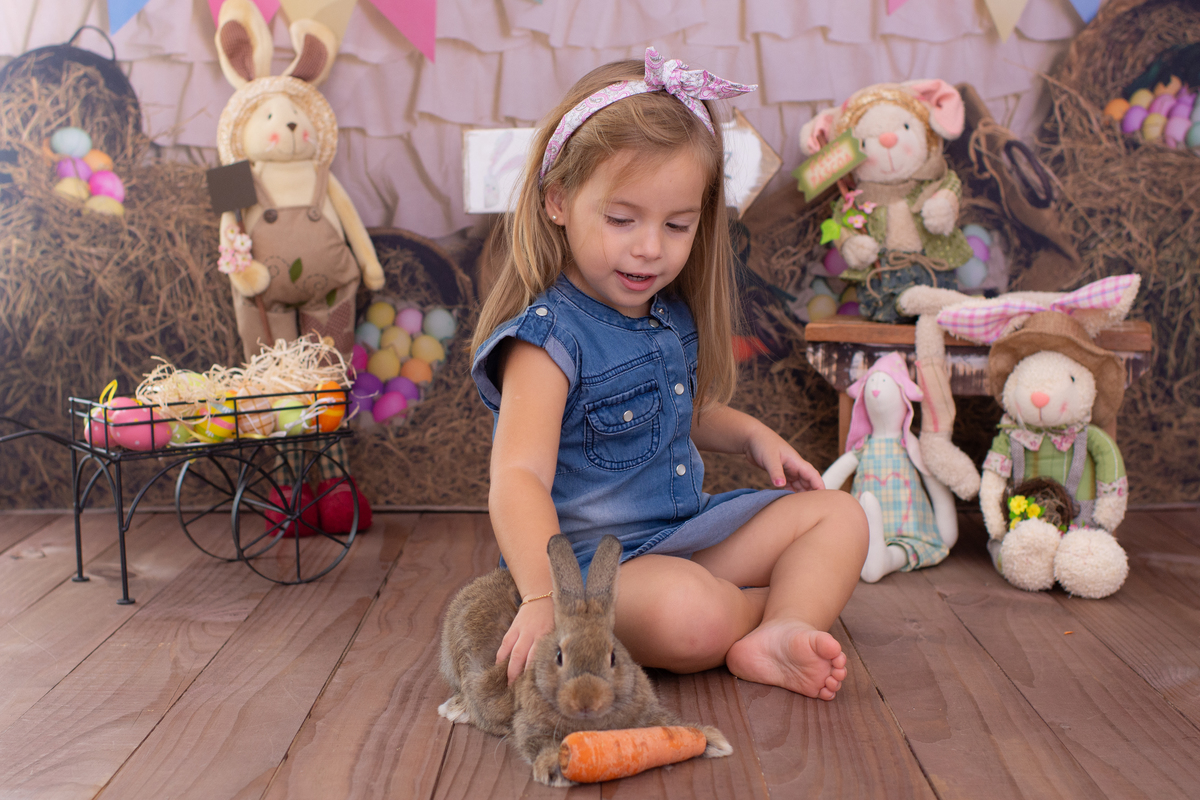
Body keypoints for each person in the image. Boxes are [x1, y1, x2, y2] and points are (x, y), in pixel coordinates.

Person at [470, 48, 868, 701]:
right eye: (622, 219)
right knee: (691, 617)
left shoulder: (666, 314)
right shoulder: (546, 344)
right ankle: (753, 608)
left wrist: (750, 438)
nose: (650, 246)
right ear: (558, 200)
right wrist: (547, 596)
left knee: (840, 517)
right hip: (598, 573)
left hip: (686, 533)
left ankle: (780, 628)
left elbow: (679, 409)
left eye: (676, 225)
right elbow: (517, 478)